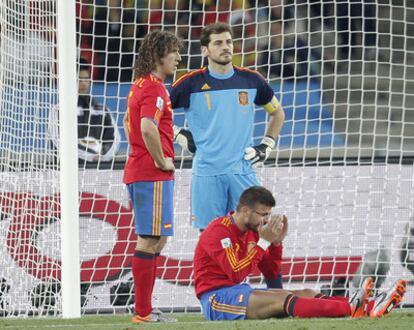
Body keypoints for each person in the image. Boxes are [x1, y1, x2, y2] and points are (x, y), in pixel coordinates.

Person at [170, 22, 285, 288]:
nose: (226, 47)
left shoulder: (252, 80)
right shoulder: (189, 84)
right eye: (219, 43)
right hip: (207, 172)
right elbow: (156, 115)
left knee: (262, 230)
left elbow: (277, 113)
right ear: (205, 50)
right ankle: (217, 294)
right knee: (212, 236)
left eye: (229, 42)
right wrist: (179, 135)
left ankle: (276, 292)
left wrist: (266, 144)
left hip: (241, 170)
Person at [193, 186, 407, 321]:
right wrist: (265, 241)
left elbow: (271, 273)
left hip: (239, 291)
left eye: (268, 214)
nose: (266, 220)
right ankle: (353, 308)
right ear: (246, 211)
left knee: (305, 292)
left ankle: (368, 306)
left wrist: (276, 244)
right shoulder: (219, 231)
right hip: (215, 299)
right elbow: (235, 273)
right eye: (262, 214)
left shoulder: (252, 231)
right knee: (284, 300)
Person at [123, 30, 182, 324]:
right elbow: (147, 127)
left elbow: (127, 123)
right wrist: (162, 161)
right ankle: (143, 312)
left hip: (141, 170)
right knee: (150, 239)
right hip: (151, 173)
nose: (179, 57)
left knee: (156, 240)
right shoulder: (155, 89)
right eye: (174, 51)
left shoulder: (140, 85)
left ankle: (144, 308)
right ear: (159, 54)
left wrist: (137, 152)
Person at [48, 58, 121, 163]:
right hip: (68, 172)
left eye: (86, 79)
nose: (84, 84)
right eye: (79, 79)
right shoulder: (58, 111)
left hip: (99, 170)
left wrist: (102, 156)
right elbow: (58, 141)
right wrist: (91, 156)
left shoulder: (103, 111)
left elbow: (114, 140)